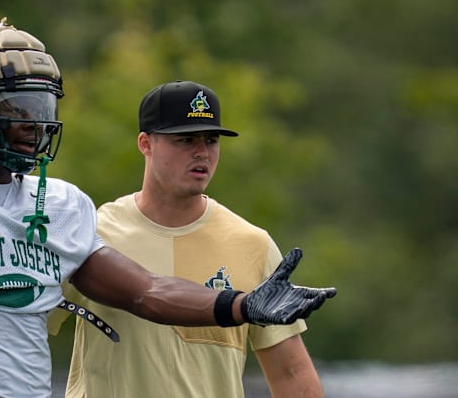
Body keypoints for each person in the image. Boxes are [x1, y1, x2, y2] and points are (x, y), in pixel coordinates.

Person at [0, 20, 336, 398]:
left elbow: (145, 292)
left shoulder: (59, 204)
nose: (35, 124)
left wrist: (239, 305)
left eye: (42, 108)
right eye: (17, 108)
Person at [49, 80, 329, 397]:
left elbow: (291, 373)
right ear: (145, 143)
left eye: (211, 140)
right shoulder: (92, 232)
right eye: (185, 139)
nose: (201, 152)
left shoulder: (253, 243)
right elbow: (24, 330)